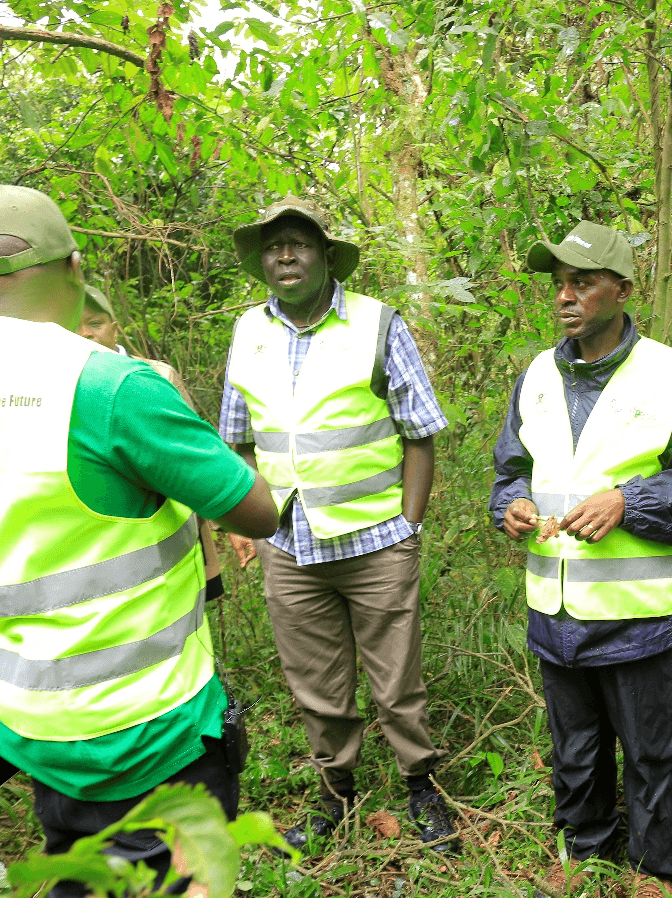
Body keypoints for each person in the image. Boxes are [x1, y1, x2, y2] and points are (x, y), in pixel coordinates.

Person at [0, 184, 279, 897]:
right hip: (155, 733)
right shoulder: (112, 387)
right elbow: (256, 512)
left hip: (34, 736)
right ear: (76, 267)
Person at [490, 221, 672, 898]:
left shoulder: (669, 372)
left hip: (635, 613)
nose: (566, 296)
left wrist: (629, 502)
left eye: (583, 282)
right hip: (555, 606)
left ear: (623, 290)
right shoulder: (538, 375)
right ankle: (585, 852)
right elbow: (509, 470)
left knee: (648, 749)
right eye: (559, 284)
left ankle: (654, 868)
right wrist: (510, 505)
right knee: (574, 747)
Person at [220, 194, 456, 852]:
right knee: (314, 683)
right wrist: (248, 522)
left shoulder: (378, 324)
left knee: (396, 680)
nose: (285, 254)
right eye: (273, 246)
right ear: (262, 261)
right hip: (289, 545)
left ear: (327, 255)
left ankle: (421, 788)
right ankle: (334, 797)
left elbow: (420, 434)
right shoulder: (248, 331)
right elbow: (235, 440)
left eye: (298, 242)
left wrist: (409, 527)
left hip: (376, 540)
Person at [77, 285, 226, 601]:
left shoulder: (157, 374)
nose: (86, 333)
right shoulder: (60, 385)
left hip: (178, 526)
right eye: (76, 325)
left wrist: (221, 520)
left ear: (115, 328)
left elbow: (197, 453)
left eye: (96, 323)